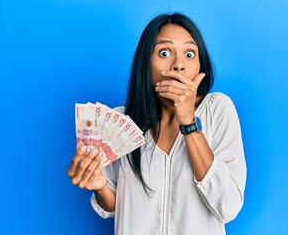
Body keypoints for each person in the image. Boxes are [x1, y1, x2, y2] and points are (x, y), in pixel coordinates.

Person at [68, 13, 246, 235]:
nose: (179, 65)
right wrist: (101, 186)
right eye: (164, 52)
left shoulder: (217, 110)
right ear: (146, 63)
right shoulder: (123, 123)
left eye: (189, 54)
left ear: (200, 66)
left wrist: (189, 123)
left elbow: (228, 207)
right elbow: (114, 207)